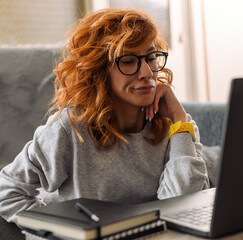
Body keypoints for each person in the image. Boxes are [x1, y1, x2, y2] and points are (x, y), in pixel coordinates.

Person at [0, 8, 209, 223]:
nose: (147, 72)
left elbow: (183, 208)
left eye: (151, 57)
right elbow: (7, 192)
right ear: (98, 71)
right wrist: (60, 232)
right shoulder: (69, 130)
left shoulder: (177, 125)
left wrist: (179, 119)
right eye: (128, 60)